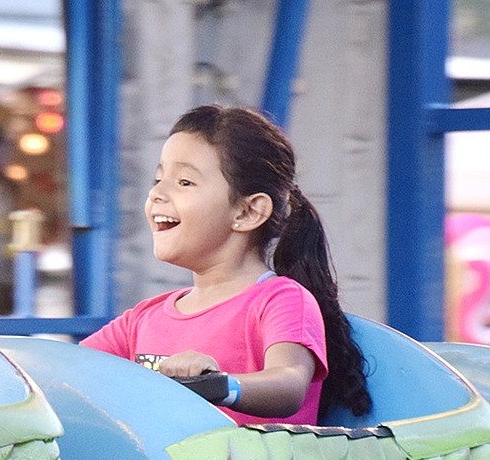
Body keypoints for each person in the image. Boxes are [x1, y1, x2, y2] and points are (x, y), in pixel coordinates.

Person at [81, 104, 371, 425]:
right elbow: (68, 368)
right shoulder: (141, 319)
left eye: (185, 182)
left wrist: (221, 385)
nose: (156, 194)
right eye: (158, 178)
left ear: (248, 212)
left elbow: (289, 381)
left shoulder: (282, 300)